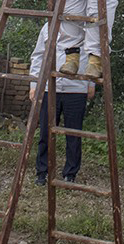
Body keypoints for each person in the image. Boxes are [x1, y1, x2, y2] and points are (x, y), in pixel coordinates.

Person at [29, 22, 95, 186]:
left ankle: (70, 174)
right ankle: (42, 172)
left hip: (77, 88)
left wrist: (91, 84)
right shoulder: (48, 26)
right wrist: (33, 84)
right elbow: (38, 56)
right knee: (45, 132)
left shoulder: (86, 26)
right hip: (49, 87)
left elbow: (93, 55)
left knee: (73, 134)